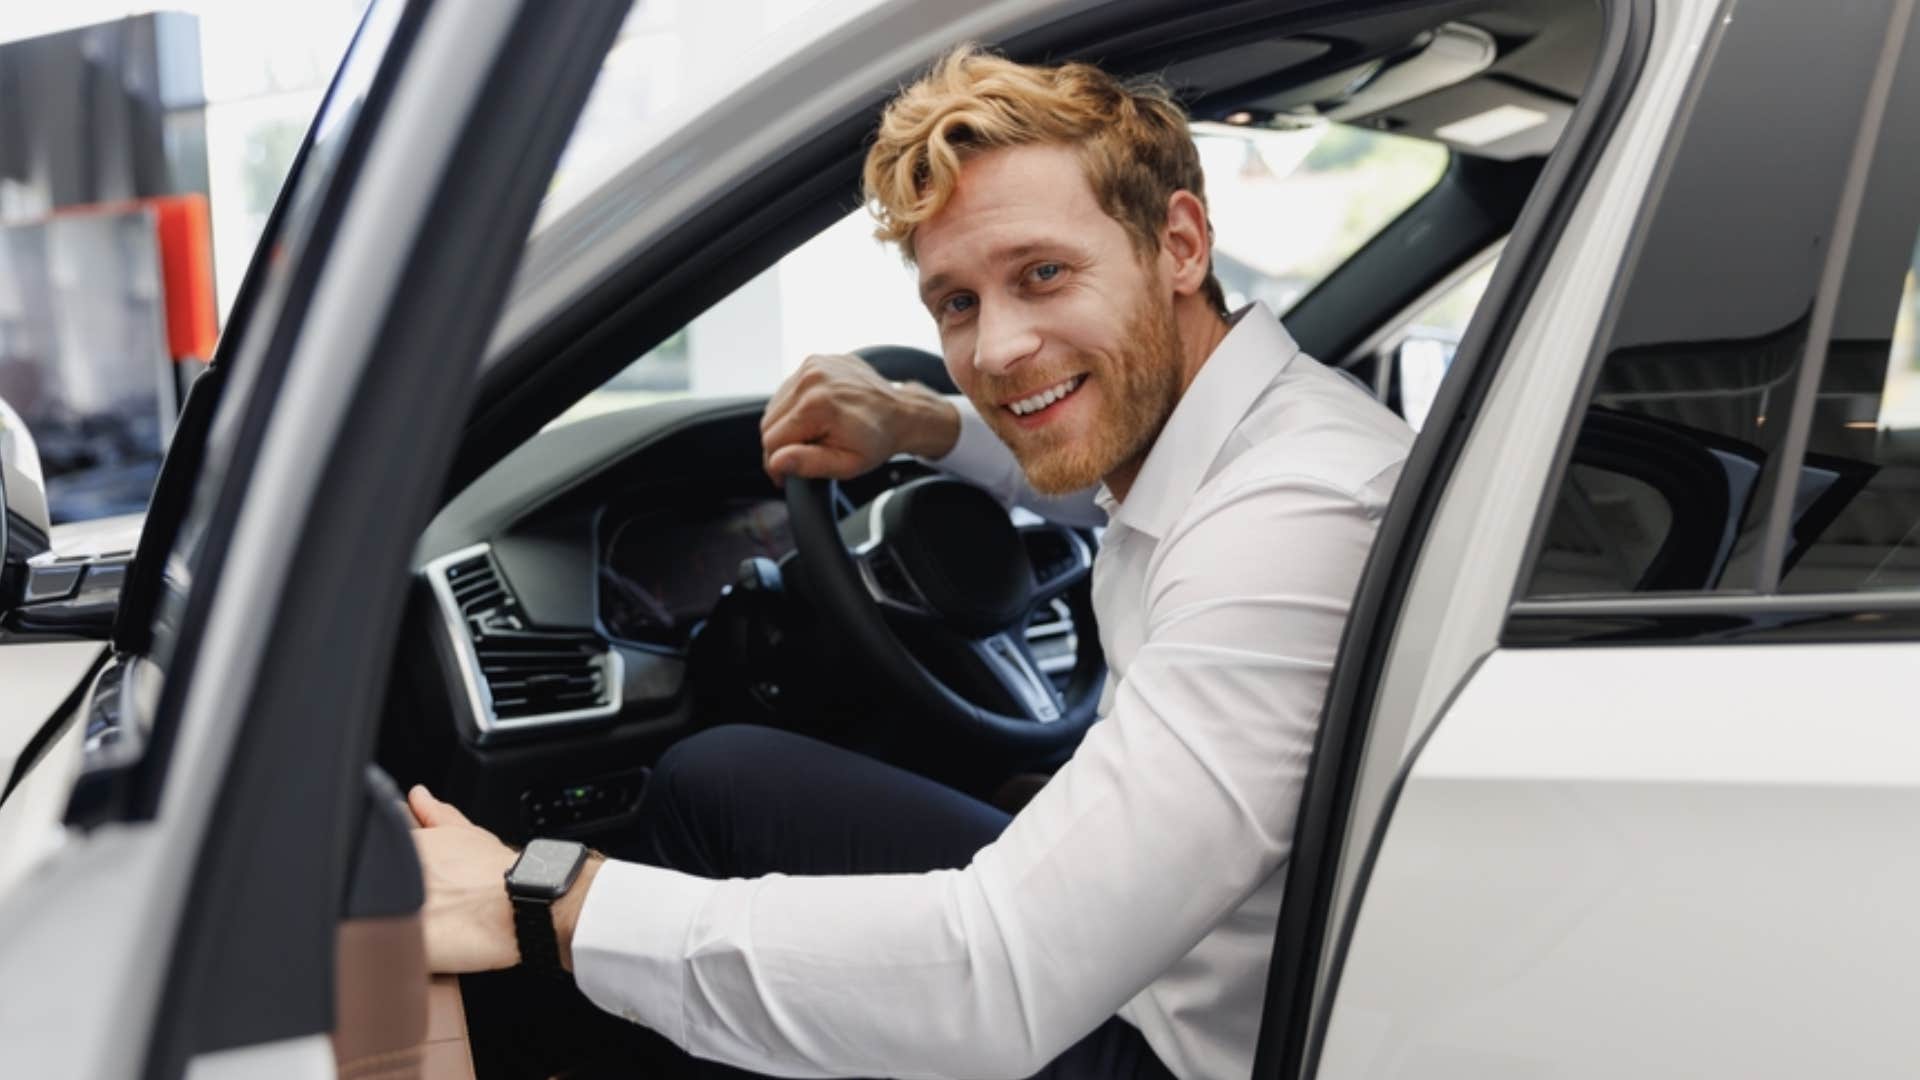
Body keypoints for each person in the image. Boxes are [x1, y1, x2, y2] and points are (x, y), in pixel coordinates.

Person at [410, 45, 1412, 1080]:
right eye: (958, 304)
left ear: (1182, 243)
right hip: (1173, 969)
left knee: (700, 825)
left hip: (1176, 1049)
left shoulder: (1287, 519)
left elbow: (996, 977)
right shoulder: (1244, 431)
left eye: (1043, 274)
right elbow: (1083, 469)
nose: (997, 351)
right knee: (723, 780)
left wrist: (538, 900)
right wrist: (920, 425)